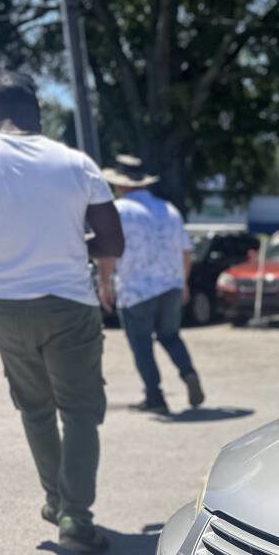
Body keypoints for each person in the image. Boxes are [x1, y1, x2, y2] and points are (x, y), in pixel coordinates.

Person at [0, 71, 123, 553]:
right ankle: (76, 519)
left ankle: (54, 498)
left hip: (3, 307)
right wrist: (92, 266)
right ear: (38, 111)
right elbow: (111, 239)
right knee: (81, 412)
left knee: (35, 410)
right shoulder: (74, 162)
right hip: (69, 306)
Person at [101, 155, 204, 414]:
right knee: (170, 336)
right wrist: (184, 282)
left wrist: (105, 283)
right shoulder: (168, 209)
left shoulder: (118, 211)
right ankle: (188, 372)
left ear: (120, 185)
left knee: (141, 345)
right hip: (170, 285)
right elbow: (185, 252)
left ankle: (155, 397)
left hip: (136, 290)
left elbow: (108, 253)